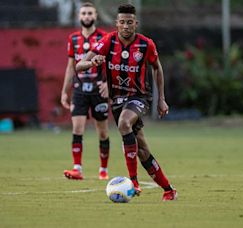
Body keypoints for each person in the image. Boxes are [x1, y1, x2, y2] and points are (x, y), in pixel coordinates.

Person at [75, 3, 177, 201]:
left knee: (123, 123)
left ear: (135, 23)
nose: (126, 26)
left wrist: (161, 99)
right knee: (142, 150)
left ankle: (133, 181)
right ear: (117, 24)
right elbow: (80, 65)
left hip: (139, 97)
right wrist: (92, 62)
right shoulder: (107, 42)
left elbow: (157, 68)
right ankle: (168, 189)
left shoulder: (146, 44)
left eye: (130, 22)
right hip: (117, 101)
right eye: (122, 22)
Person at [61, 2, 110, 180]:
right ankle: (77, 169)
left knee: (103, 132)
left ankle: (103, 170)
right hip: (79, 89)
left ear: (96, 16)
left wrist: (108, 84)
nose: (87, 16)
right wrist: (64, 91)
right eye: (84, 13)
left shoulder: (104, 38)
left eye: (90, 13)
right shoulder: (73, 39)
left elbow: (111, 64)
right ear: (79, 16)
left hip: (99, 90)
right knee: (77, 128)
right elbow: (70, 67)